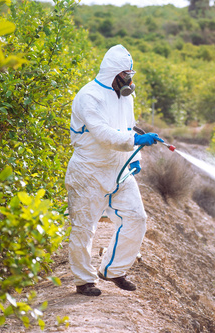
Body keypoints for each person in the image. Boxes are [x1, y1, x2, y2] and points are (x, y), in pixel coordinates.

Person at [65, 44, 163, 296]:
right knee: (84, 227)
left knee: (136, 219)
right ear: (113, 73)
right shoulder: (89, 97)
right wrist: (136, 141)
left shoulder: (125, 97)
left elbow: (127, 128)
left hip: (119, 169)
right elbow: (104, 135)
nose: (129, 80)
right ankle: (84, 280)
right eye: (126, 75)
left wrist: (133, 157)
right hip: (88, 171)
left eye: (131, 75)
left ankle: (113, 270)